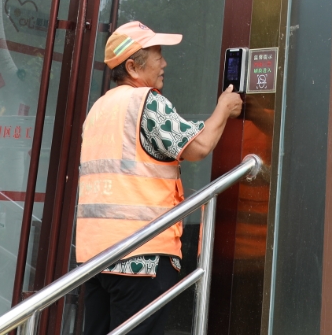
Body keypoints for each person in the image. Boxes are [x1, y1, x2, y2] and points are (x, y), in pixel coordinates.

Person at [77, 21, 243, 335]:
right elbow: (198, 147)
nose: (164, 63)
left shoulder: (98, 109)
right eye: (157, 55)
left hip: (95, 258)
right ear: (132, 67)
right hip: (141, 256)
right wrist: (223, 108)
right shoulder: (145, 102)